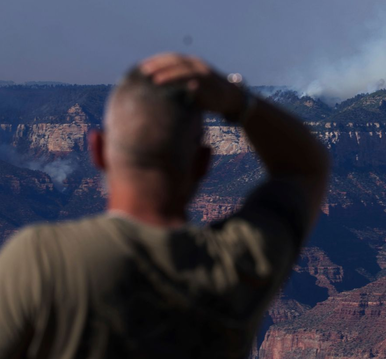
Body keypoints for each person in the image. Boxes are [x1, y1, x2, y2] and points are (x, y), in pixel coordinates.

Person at [0, 53, 330, 359]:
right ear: (203, 163)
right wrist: (236, 101)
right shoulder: (237, 264)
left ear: (97, 150)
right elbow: (306, 168)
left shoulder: (40, 258)